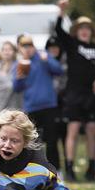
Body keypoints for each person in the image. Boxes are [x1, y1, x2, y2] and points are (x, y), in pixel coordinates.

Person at [55, 0, 95, 181]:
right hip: (74, 95)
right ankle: (69, 167)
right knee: (73, 130)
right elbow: (59, 31)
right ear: (77, 32)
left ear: (91, 32)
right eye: (81, 29)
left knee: (92, 131)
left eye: (87, 29)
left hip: (91, 97)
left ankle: (91, 168)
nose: (85, 32)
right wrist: (61, 12)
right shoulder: (72, 45)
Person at [13, 34, 64, 171]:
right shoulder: (19, 64)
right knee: (32, 142)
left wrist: (47, 60)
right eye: (24, 46)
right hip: (31, 107)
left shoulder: (43, 56)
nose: (28, 48)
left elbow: (59, 70)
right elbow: (17, 88)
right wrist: (19, 78)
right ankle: (32, 170)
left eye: (30, 45)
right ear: (19, 48)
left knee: (52, 140)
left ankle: (55, 171)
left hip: (49, 106)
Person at [0, 41, 20, 121]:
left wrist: (10, 86)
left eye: (9, 49)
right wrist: (8, 86)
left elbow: (17, 85)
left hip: (14, 104)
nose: (7, 52)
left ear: (14, 52)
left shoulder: (18, 66)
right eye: (4, 50)